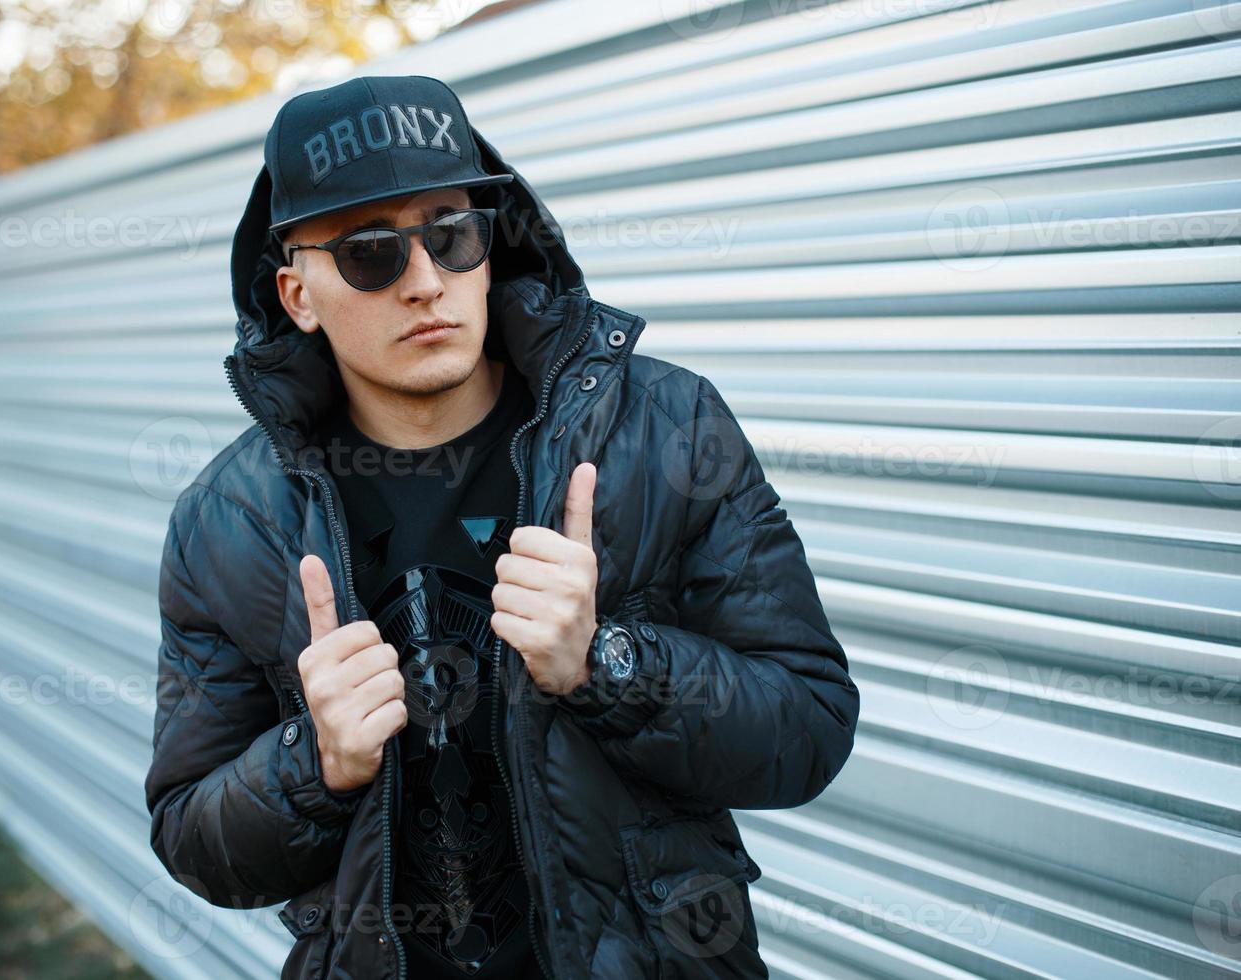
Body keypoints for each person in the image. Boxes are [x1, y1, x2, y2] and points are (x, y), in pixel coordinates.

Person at [144, 73, 860, 980]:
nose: (424, 281)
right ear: (297, 295)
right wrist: (312, 762)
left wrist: (607, 666)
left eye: (452, 234)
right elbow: (191, 837)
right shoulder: (230, 522)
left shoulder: (664, 432)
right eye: (370, 252)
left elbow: (809, 727)